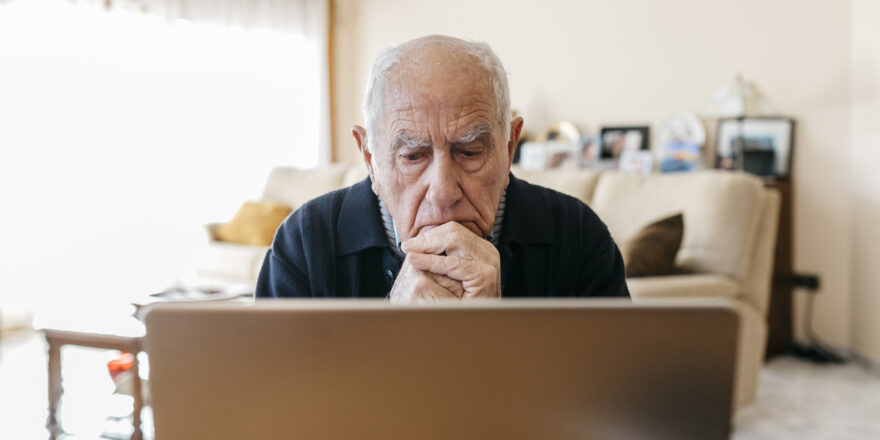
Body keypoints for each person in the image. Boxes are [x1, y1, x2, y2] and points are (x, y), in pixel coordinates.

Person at [256, 35, 629, 301]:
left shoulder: (578, 237)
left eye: (469, 151)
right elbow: (271, 404)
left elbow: (622, 401)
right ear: (369, 157)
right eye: (413, 157)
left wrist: (498, 333)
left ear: (510, 145)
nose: (443, 191)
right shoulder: (305, 243)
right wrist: (392, 329)